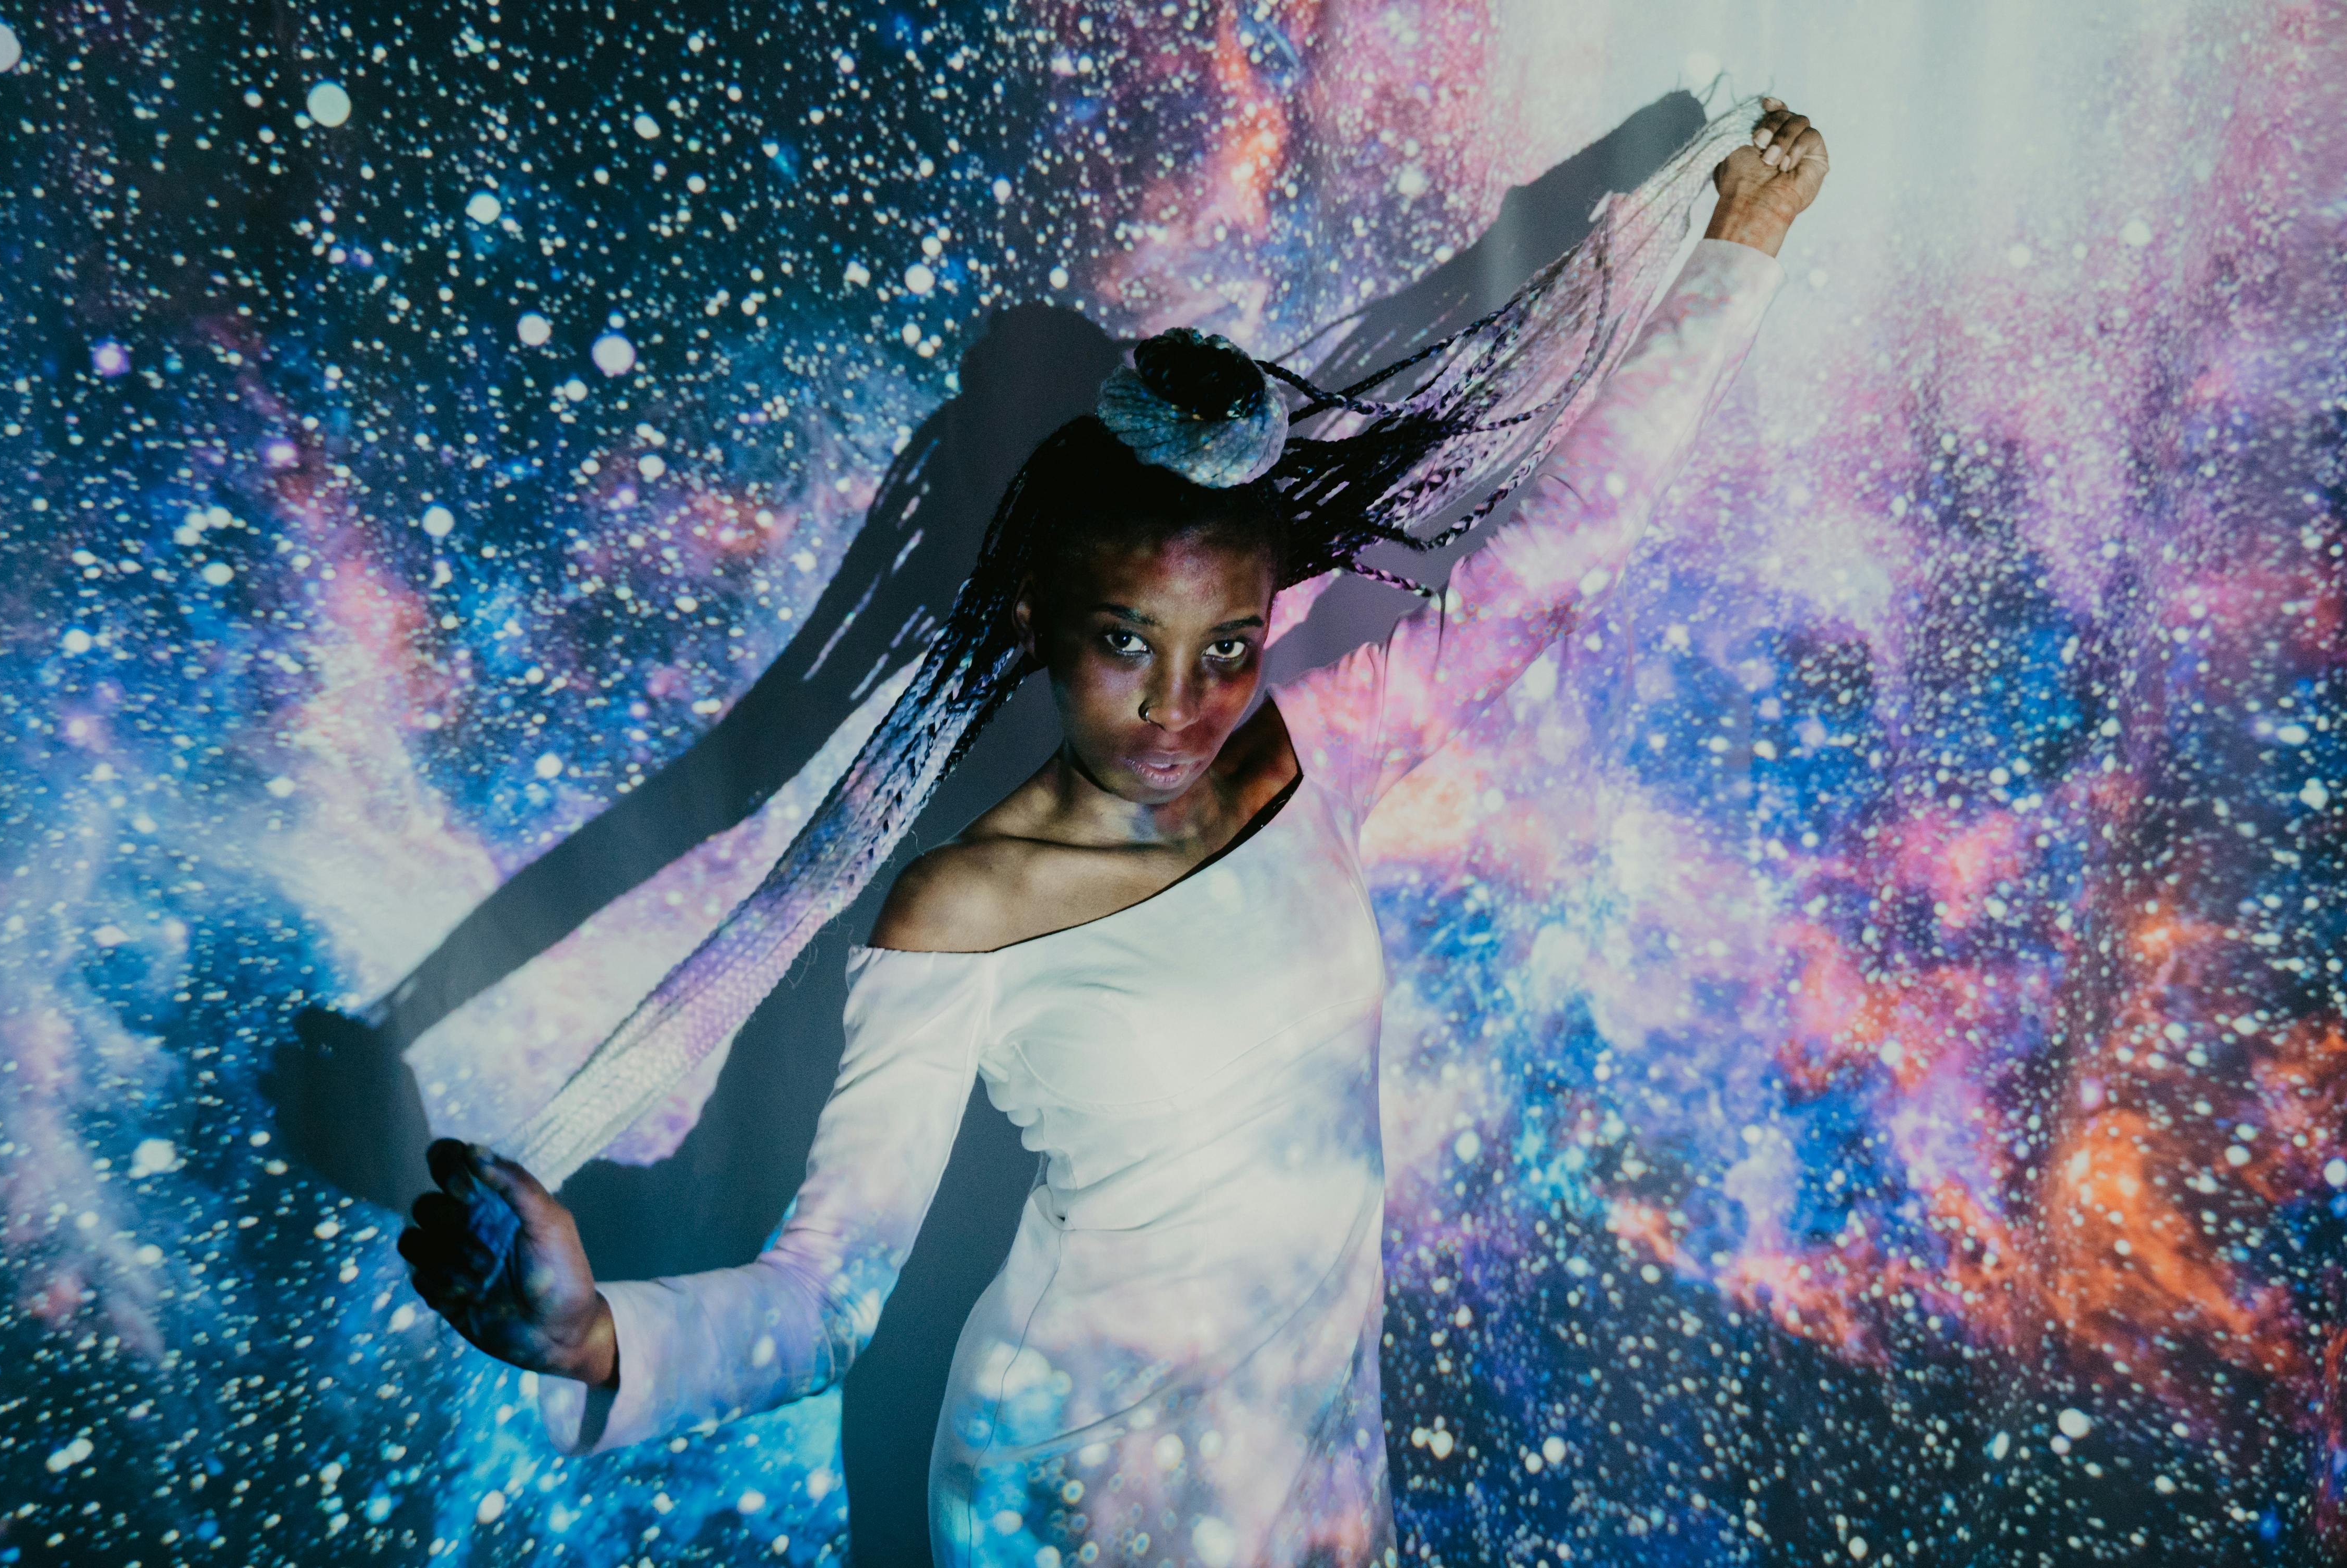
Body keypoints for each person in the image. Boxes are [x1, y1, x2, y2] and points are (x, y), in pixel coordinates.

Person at [399, 99, 1827, 1565]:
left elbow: (1551, 560)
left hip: (1313, 1477)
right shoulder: (959, 907)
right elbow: (831, 1294)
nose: (1176, 706)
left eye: (1223, 647)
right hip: (1069, 1507)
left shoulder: (1309, 763)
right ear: (1036, 621)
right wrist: (589, 1334)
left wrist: (1738, 253)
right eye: (1122, 643)